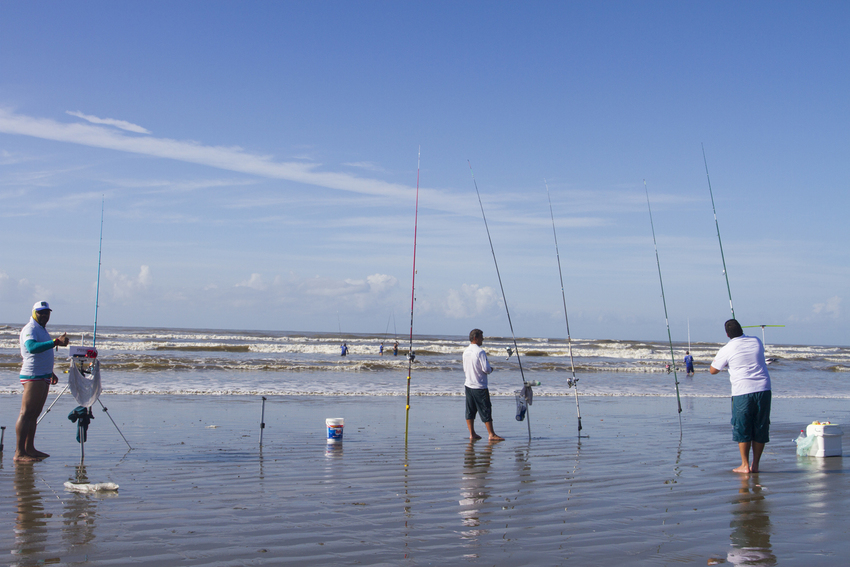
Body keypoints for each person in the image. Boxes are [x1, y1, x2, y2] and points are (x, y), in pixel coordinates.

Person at [710, 319, 771, 474]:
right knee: (760, 426)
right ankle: (755, 465)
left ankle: (745, 465)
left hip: (742, 392)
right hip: (764, 389)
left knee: (743, 427)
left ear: (727, 334)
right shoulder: (756, 341)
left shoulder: (727, 348)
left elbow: (713, 370)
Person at [15, 301, 69, 462]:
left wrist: (50, 372)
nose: (44, 315)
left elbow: (42, 353)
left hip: (42, 375)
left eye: (46, 312)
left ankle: (29, 448)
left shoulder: (41, 329)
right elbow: (31, 348)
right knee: (26, 413)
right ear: (33, 313)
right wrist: (56, 342)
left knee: (34, 414)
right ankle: (19, 452)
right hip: (33, 375)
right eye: (40, 312)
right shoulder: (30, 329)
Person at [463, 329, 503, 441]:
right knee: (485, 409)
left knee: (470, 410)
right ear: (475, 338)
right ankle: (491, 434)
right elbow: (486, 369)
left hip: (468, 384)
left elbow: (465, 368)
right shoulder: (480, 352)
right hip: (479, 385)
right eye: (481, 337)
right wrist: (491, 369)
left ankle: (472, 434)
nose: (483, 339)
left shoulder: (466, 351)